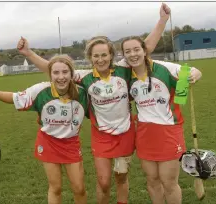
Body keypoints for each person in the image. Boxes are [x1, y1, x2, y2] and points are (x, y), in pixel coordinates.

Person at [17, 4, 171, 204]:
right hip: (101, 136)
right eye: (96, 56)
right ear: (91, 58)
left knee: (121, 177)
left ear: (111, 56)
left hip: (125, 133)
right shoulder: (85, 77)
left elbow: (145, 49)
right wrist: (28, 53)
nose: (101, 59)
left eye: (104, 55)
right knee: (104, 182)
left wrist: (162, 20)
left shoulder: (123, 70)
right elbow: (54, 68)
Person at [0, 55, 88, 204]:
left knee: (79, 188)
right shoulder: (41, 90)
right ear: (50, 74)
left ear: (72, 74)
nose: (61, 77)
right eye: (56, 73)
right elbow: (15, 98)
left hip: (71, 144)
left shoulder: (83, 93)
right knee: (56, 188)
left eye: (65, 72)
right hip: (49, 143)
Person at [120, 35, 202, 204]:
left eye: (136, 49)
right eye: (127, 51)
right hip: (144, 134)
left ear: (144, 51)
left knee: (169, 182)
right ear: (123, 55)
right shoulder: (127, 76)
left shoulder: (164, 68)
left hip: (169, 132)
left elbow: (193, 71)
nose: (133, 54)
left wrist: (194, 74)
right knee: (152, 181)